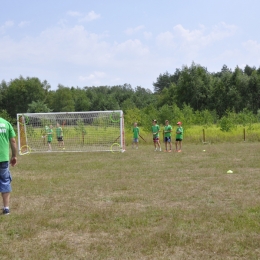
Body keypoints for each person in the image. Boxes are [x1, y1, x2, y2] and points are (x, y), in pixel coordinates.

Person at [0, 117, 17, 215]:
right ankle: (6, 208)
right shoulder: (6, 123)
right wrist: (14, 156)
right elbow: (13, 141)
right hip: (3, 158)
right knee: (5, 181)